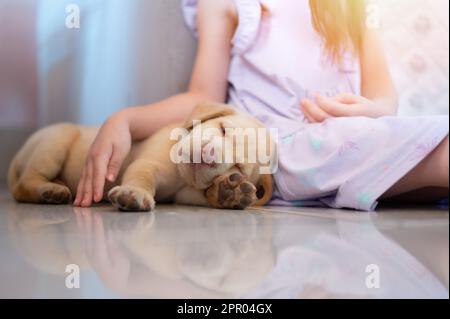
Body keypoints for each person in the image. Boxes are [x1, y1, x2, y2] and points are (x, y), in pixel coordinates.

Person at [74, 0, 449, 211]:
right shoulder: (226, 5)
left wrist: (370, 111)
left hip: (346, 136)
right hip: (270, 147)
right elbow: (201, 98)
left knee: (390, 138)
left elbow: (384, 99)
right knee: (345, 141)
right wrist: (125, 120)